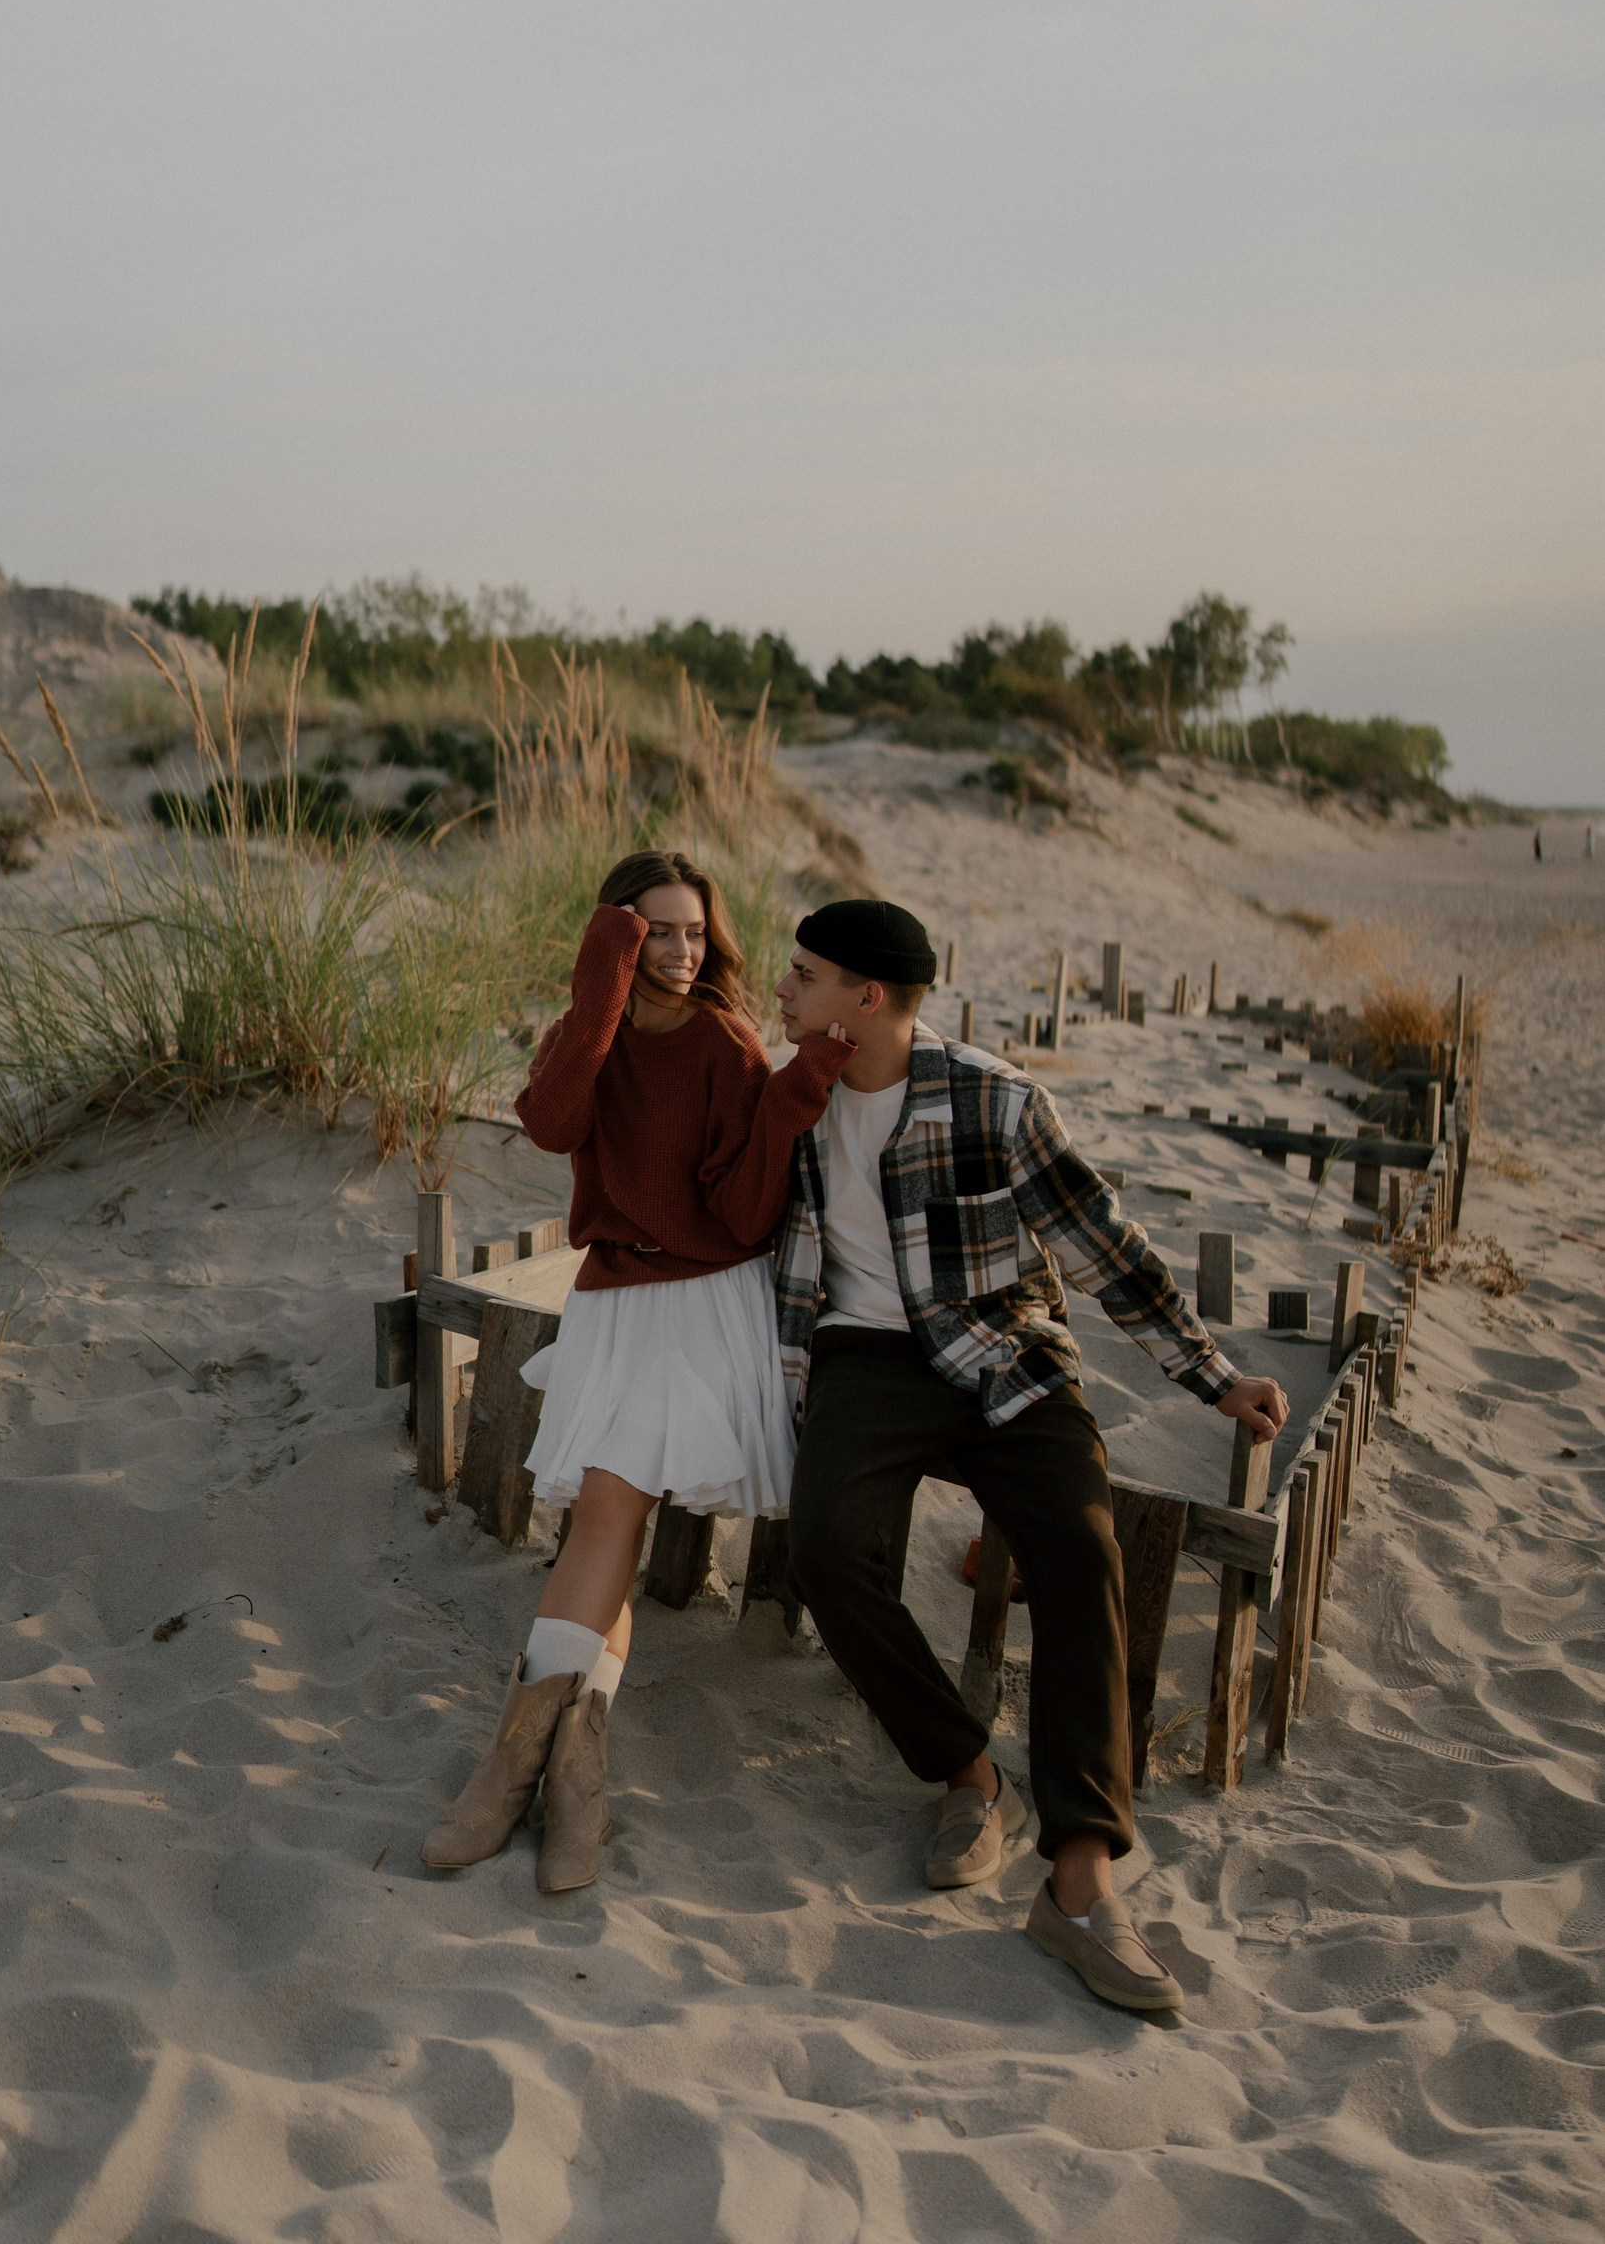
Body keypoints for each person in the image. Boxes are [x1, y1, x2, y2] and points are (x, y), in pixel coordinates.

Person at [772, 899, 1289, 2014]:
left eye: (804, 975)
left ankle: (1082, 1878)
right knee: (822, 1550)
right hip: (863, 1355)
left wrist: (1212, 1377)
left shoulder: (995, 1099)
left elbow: (1104, 1246)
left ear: (868, 997)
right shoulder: (793, 1099)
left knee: (1080, 1547)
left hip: (1002, 1345)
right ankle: (969, 1772)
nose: (784, 989)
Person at [422, 851, 851, 1892]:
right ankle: (573, 1774)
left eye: (695, 931)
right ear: (614, 934)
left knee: (607, 1517)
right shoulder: (588, 1034)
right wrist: (602, 979)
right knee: (607, 1530)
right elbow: (553, 1123)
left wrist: (793, 1093)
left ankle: (512, 1767)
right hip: (614, 1299)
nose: (681, 950)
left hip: (702, 1303)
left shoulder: (721, 1038)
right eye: (656, 930)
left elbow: (742, 1213)